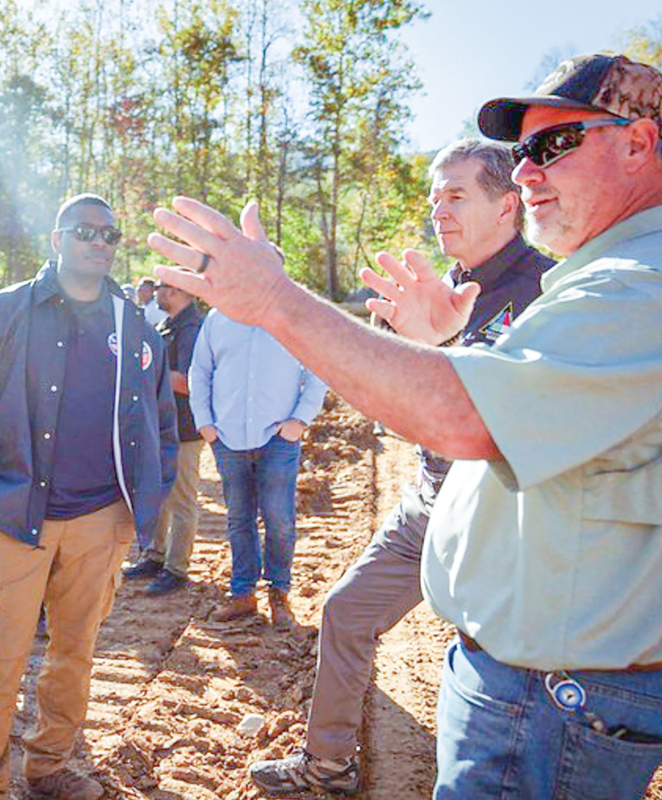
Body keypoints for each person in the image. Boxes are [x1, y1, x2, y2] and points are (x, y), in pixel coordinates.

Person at [150, 54, 662, 800]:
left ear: (639, 145)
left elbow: (464, 418)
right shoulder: (606, 281)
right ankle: (327, 761)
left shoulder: (635, 292)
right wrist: (446, 347)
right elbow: (536, 416)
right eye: (522, 156)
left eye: (553, 146)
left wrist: (275, 302)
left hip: (548, 700)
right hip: (535, 680)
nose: (526, 174)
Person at [248, 138, 554, 795]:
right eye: (434, 196)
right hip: (428, 506)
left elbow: (513, 414)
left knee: (495, 675)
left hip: (505, 527)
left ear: (508, 205)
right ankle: (327, 764)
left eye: (457, 195)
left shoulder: (547, 290)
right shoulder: (440, 288)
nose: (438, 209)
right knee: (346, 612)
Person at [0, 193, 177, 800]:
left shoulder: (136, 326)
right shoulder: (2, 312)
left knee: (73, 657)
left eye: (109, 233)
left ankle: (49, 765)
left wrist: (141, 501)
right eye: (84, 231)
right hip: (14, 517)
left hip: (100, 522)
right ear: (57, 239)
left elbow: (161, 424)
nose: (98, 242)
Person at [189, 307, 327, 625]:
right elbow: (200, 372)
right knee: (239, 519)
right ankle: (243, 595)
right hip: (227, 436)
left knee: (279, 519)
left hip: (278, 437)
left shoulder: (296, 317)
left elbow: (320, 371)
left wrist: (299, 420)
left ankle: (279, 593)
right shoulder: (217, 319)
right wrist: (205, 423)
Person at [122, 280, 206, 595]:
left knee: (182, 499)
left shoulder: (191, 330)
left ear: (176, 291)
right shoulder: (170, 325)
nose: (156, 294)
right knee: (158, 494)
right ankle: (155, 556)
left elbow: (186, 381)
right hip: (162, 425)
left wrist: (144, 371)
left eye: (161, 289)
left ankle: (176, 567)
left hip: (183, 427)